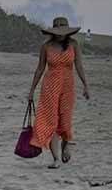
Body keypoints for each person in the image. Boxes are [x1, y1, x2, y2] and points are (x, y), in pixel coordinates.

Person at [27, 16, 90, 169]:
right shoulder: (46, 47)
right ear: (53, 31)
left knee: (65, 120)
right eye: (58, 31)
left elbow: (79, 66)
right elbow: (40, 69)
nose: (61, 34)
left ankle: (66, 145)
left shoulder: (74, 45)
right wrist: (31, 90)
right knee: (51, 121)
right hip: (50, 86)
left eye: (63, 31)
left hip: (68, 86)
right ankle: (56, 159)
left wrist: (85, 85)